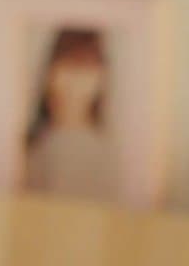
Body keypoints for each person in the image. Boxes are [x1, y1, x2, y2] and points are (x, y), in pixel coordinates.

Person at [23, 26, 119, 200]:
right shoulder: (34, 144)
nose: (74, 79)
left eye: (85, 67)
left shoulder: (102, 153)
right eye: (68, 65)